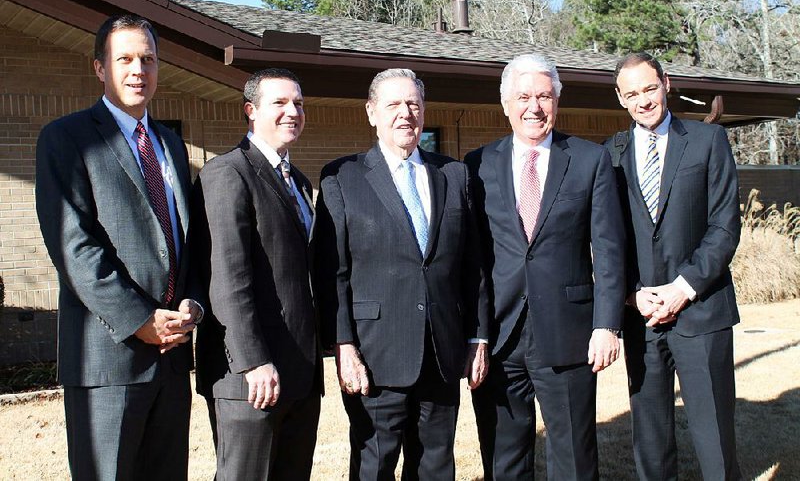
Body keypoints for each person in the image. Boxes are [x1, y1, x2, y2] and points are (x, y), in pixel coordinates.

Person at [35, 14, 202, 480]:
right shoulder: (66, 139)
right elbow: (75, 248)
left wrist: (192, 305)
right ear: (99, 68)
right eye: (124, 58)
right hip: (107, 360)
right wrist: (140, 320)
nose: (137, 70)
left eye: (147, 59)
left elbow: (184, 242)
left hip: (170, 361)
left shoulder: (170, 142)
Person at [314, 68, 489, 480]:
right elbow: (332, 272)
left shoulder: (454, 174)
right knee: (374, 464)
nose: (405, 113)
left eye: (413, 104)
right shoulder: (342, 177)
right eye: (393, 104)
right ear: (371, 112)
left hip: (442, 351)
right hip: (375, 355)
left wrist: (477, 336)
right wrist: (343, 345)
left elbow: (474, 266)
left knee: (435, 464)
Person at [465, 53, 625, 480]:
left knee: (573, 456)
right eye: (523, 97)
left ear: (557, 100)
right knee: (504, 458)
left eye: (544, 96)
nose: (534, 107)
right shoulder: (476, 166)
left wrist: (606, 325)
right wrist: (475, 334)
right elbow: (473, 260)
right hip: (499, 338)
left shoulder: (591, 160)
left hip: (570, 334)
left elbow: (609, 250)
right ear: (505, 103)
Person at [606, 52, 742, 480]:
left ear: (666, 83)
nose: (643, 101)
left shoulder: (707, 142)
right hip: (641, 315)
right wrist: (630, 291)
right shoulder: (609, 153)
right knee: (650, 439)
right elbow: (606, 238)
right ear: (620, 98)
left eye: (649, 88)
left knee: (714, 436)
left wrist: (682, 289)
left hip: (701, 311)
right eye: (632, 94)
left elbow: (724, 227)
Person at [191, 68, 321, 480]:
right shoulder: (227, 173)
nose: (292, 112)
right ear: (251, 111)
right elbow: (227, 277)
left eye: (298, 103)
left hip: (299, 375)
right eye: (279, 103)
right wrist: (253, 362)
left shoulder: (298, 181)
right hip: (250, 378)